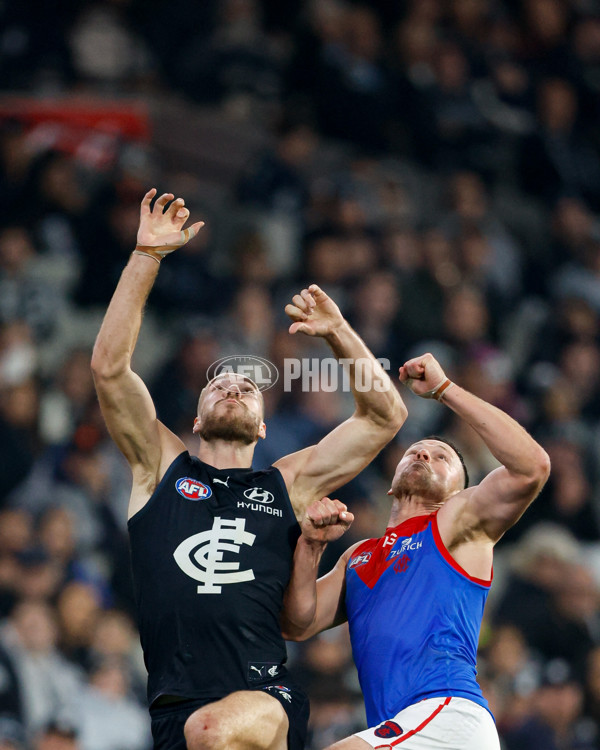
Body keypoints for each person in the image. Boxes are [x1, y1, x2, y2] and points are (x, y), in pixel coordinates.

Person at [90, 189, 407, 750]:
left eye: (247, 387)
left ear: (264, 428)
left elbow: (387, 415)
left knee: (219, 730)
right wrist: (146, 256)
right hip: (174, 709)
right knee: (206, 731)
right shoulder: (158, 467)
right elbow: (110, 371)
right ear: (196, 415)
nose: (235, 385)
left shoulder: (286, 483)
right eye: (220, 384)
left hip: (266, 696)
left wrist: (339, 331)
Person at [281, 352, 551, 750]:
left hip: (447, 714)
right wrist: (310, 547)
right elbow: (298, 624)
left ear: (460, 491)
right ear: (390, 484)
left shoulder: (456, 522)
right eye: (414, 451)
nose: (423, 453)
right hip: (403, 726)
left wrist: (446, 390)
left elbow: (532, 467)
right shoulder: (358, 555)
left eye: (441, 457)